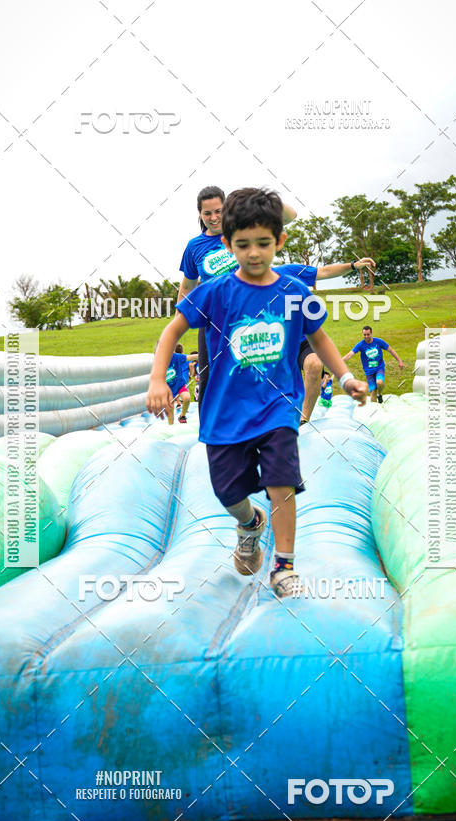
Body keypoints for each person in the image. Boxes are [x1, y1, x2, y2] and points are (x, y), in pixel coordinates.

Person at [148, 188, 368, 598]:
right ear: (228, 245)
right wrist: (158, 379)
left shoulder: (294, 290)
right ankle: (250, 524)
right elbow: (172, 330)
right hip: (226, 412)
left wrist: (344, 377)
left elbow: (319, 338)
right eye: (243, 244)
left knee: (281, 480)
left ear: (279, 242)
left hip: (277, 406)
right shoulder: (215, 293)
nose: (253, 253)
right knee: (228, 491)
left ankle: (284, 566)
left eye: (263, 243)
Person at [177, 185, 375, 422]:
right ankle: (210, 432)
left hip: (251, 315)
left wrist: (260, 197)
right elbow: (187, 287)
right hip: (214, 320)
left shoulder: (243, 229)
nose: (213, 217)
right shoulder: (195, 247)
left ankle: (279, 420)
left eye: (219, 211)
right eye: (207, 213)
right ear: (199, 214)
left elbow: (290, 216)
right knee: (210, 378)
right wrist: (181, 321)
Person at [342, 325, 404, 403]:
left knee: (379, 382)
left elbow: (390, 350)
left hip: (379, 368)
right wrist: (339, 361)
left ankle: (379, 394)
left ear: (371, 333)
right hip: (369, 371)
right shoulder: (360, 345)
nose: (366, 336)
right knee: (373, 392)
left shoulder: (379, 341)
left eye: (368, 334)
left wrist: (399, 361)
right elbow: (349, 355)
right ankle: (374, 409)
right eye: (364, 335)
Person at [164, 343, 197, 424]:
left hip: (180, 385)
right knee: (170, 408)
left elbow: (189, 357)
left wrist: (202, 355)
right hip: (168, 388)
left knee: (187, 398)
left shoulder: (176, 356)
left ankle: (182, 415)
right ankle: (171, 425)